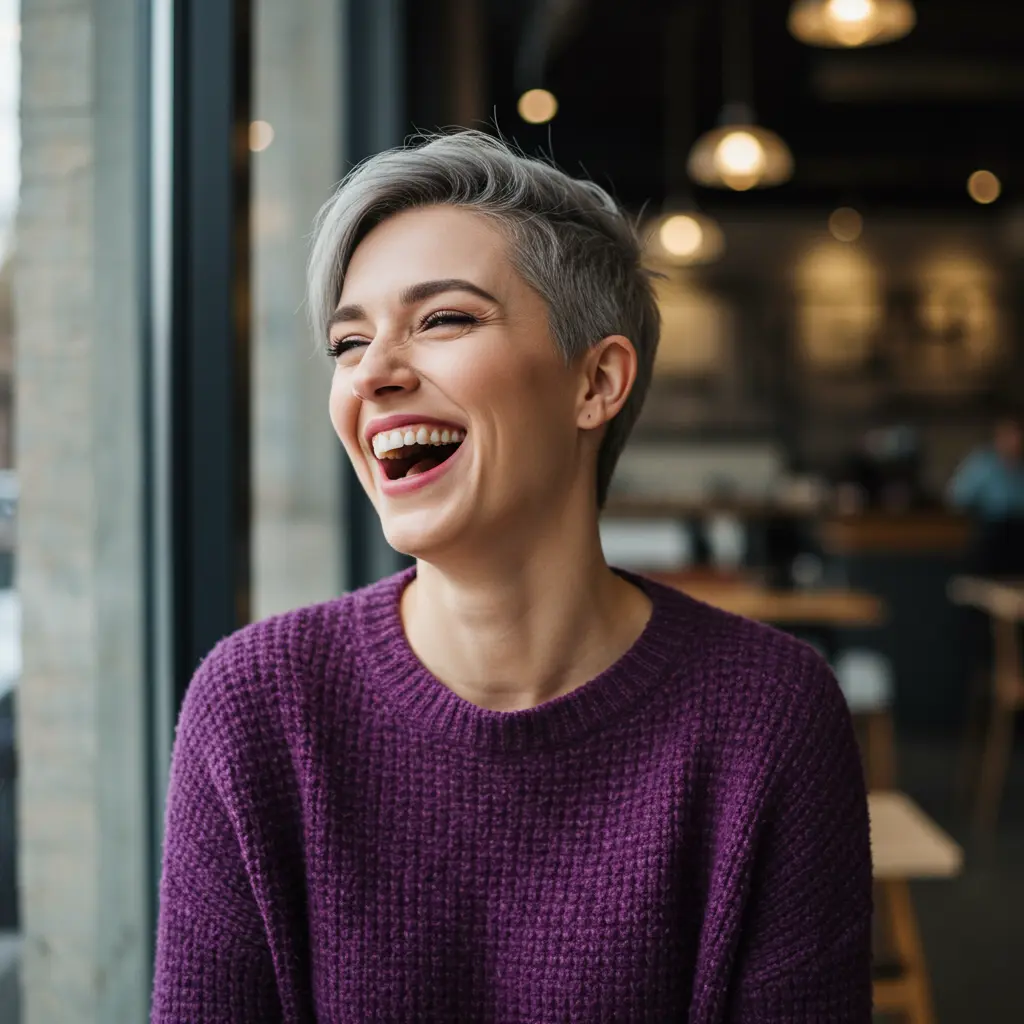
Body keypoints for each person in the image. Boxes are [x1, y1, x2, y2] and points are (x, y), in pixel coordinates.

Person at [151, 131, 872, 1022]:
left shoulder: (769, 715)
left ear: (596, 382)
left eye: (444, 319)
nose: (372, 373)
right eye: (347, 341)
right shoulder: (258, 707)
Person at [947, 412, 1024, 575]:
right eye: (1009, 435)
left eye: (1018, 435)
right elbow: (956, 497)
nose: (1015, 441)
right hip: (990, 536)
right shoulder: (982, 464)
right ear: (998, 437)